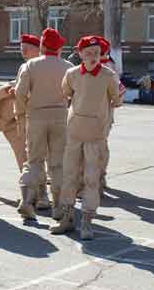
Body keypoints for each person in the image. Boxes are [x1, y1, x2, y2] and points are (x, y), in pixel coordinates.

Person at [52, 36, 122, 239]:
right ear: (80, 54)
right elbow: (66, 93)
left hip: (96, 134)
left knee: (91, 178)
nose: (93, 57)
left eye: (97, 54)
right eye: (89, 53)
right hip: (74, 132)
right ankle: (67, 217)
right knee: (69, 175)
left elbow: (116, 99)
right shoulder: (72, 74)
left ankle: (87, 221)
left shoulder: (108, 75)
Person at [14, 28, 72, 221]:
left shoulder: (31, 65)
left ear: (41, 46)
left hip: (36, 117)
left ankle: (26, 201)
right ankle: (58, 207)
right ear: (59, 47)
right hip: (61, 118)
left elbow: (20, 93)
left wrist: (20, 115)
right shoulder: (68, 67)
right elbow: (75, 94)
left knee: (33, 162)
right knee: (57, 164)